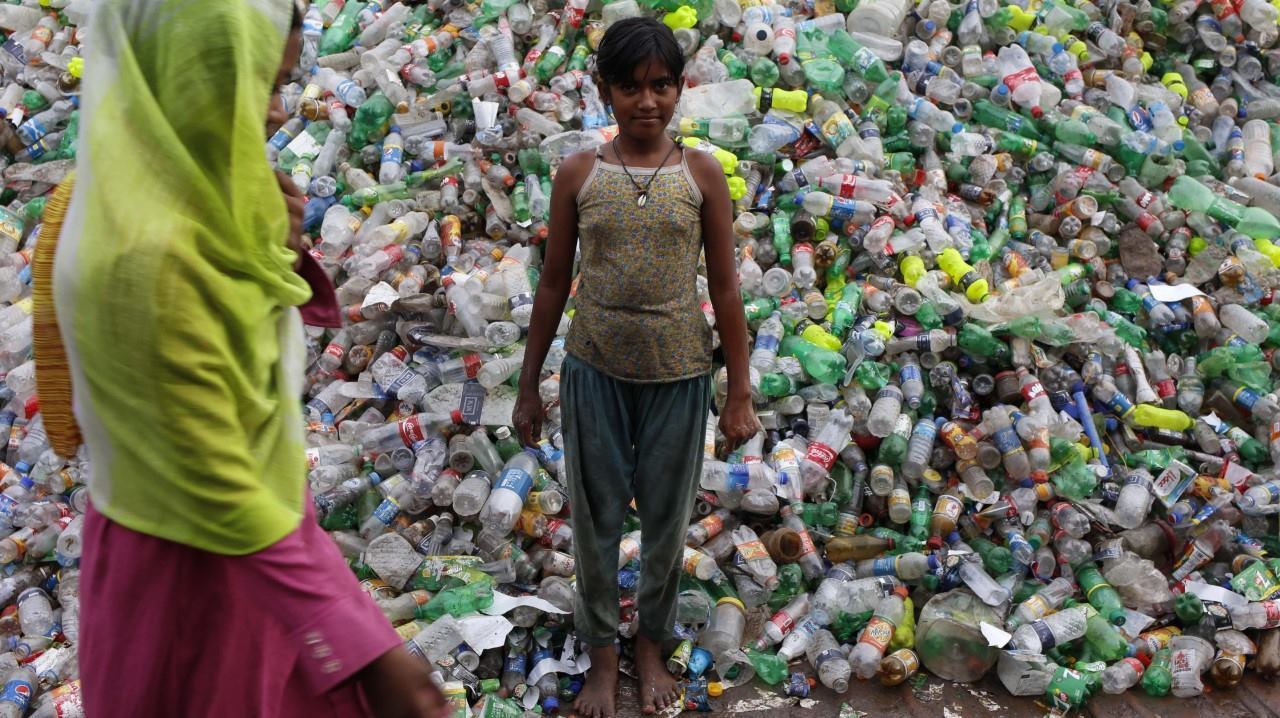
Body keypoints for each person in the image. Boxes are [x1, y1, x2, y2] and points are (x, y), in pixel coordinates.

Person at [36, 2, 448, 716]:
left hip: (262, 555)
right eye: (261, 82)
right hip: (192, 581)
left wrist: (270, 239)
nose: (273, 111)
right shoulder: (147, 257)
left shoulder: (166, 191)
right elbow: (212, 472)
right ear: (197, 73)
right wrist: (367, 646)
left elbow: (284, 323)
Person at [512, 17, 760, 718]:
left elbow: (726, 288)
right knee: (592, 518)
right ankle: (602, 652)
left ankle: (650, 643)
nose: (646, 101)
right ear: (605, 91)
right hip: (594, 372)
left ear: (681, 88)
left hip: (679, 376)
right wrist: (530, 386)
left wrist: (739, 392)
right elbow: (555, 284)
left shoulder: (701, 174)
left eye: (661, 85)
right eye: (630, 87)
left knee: (666, 522)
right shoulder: (580, 174)